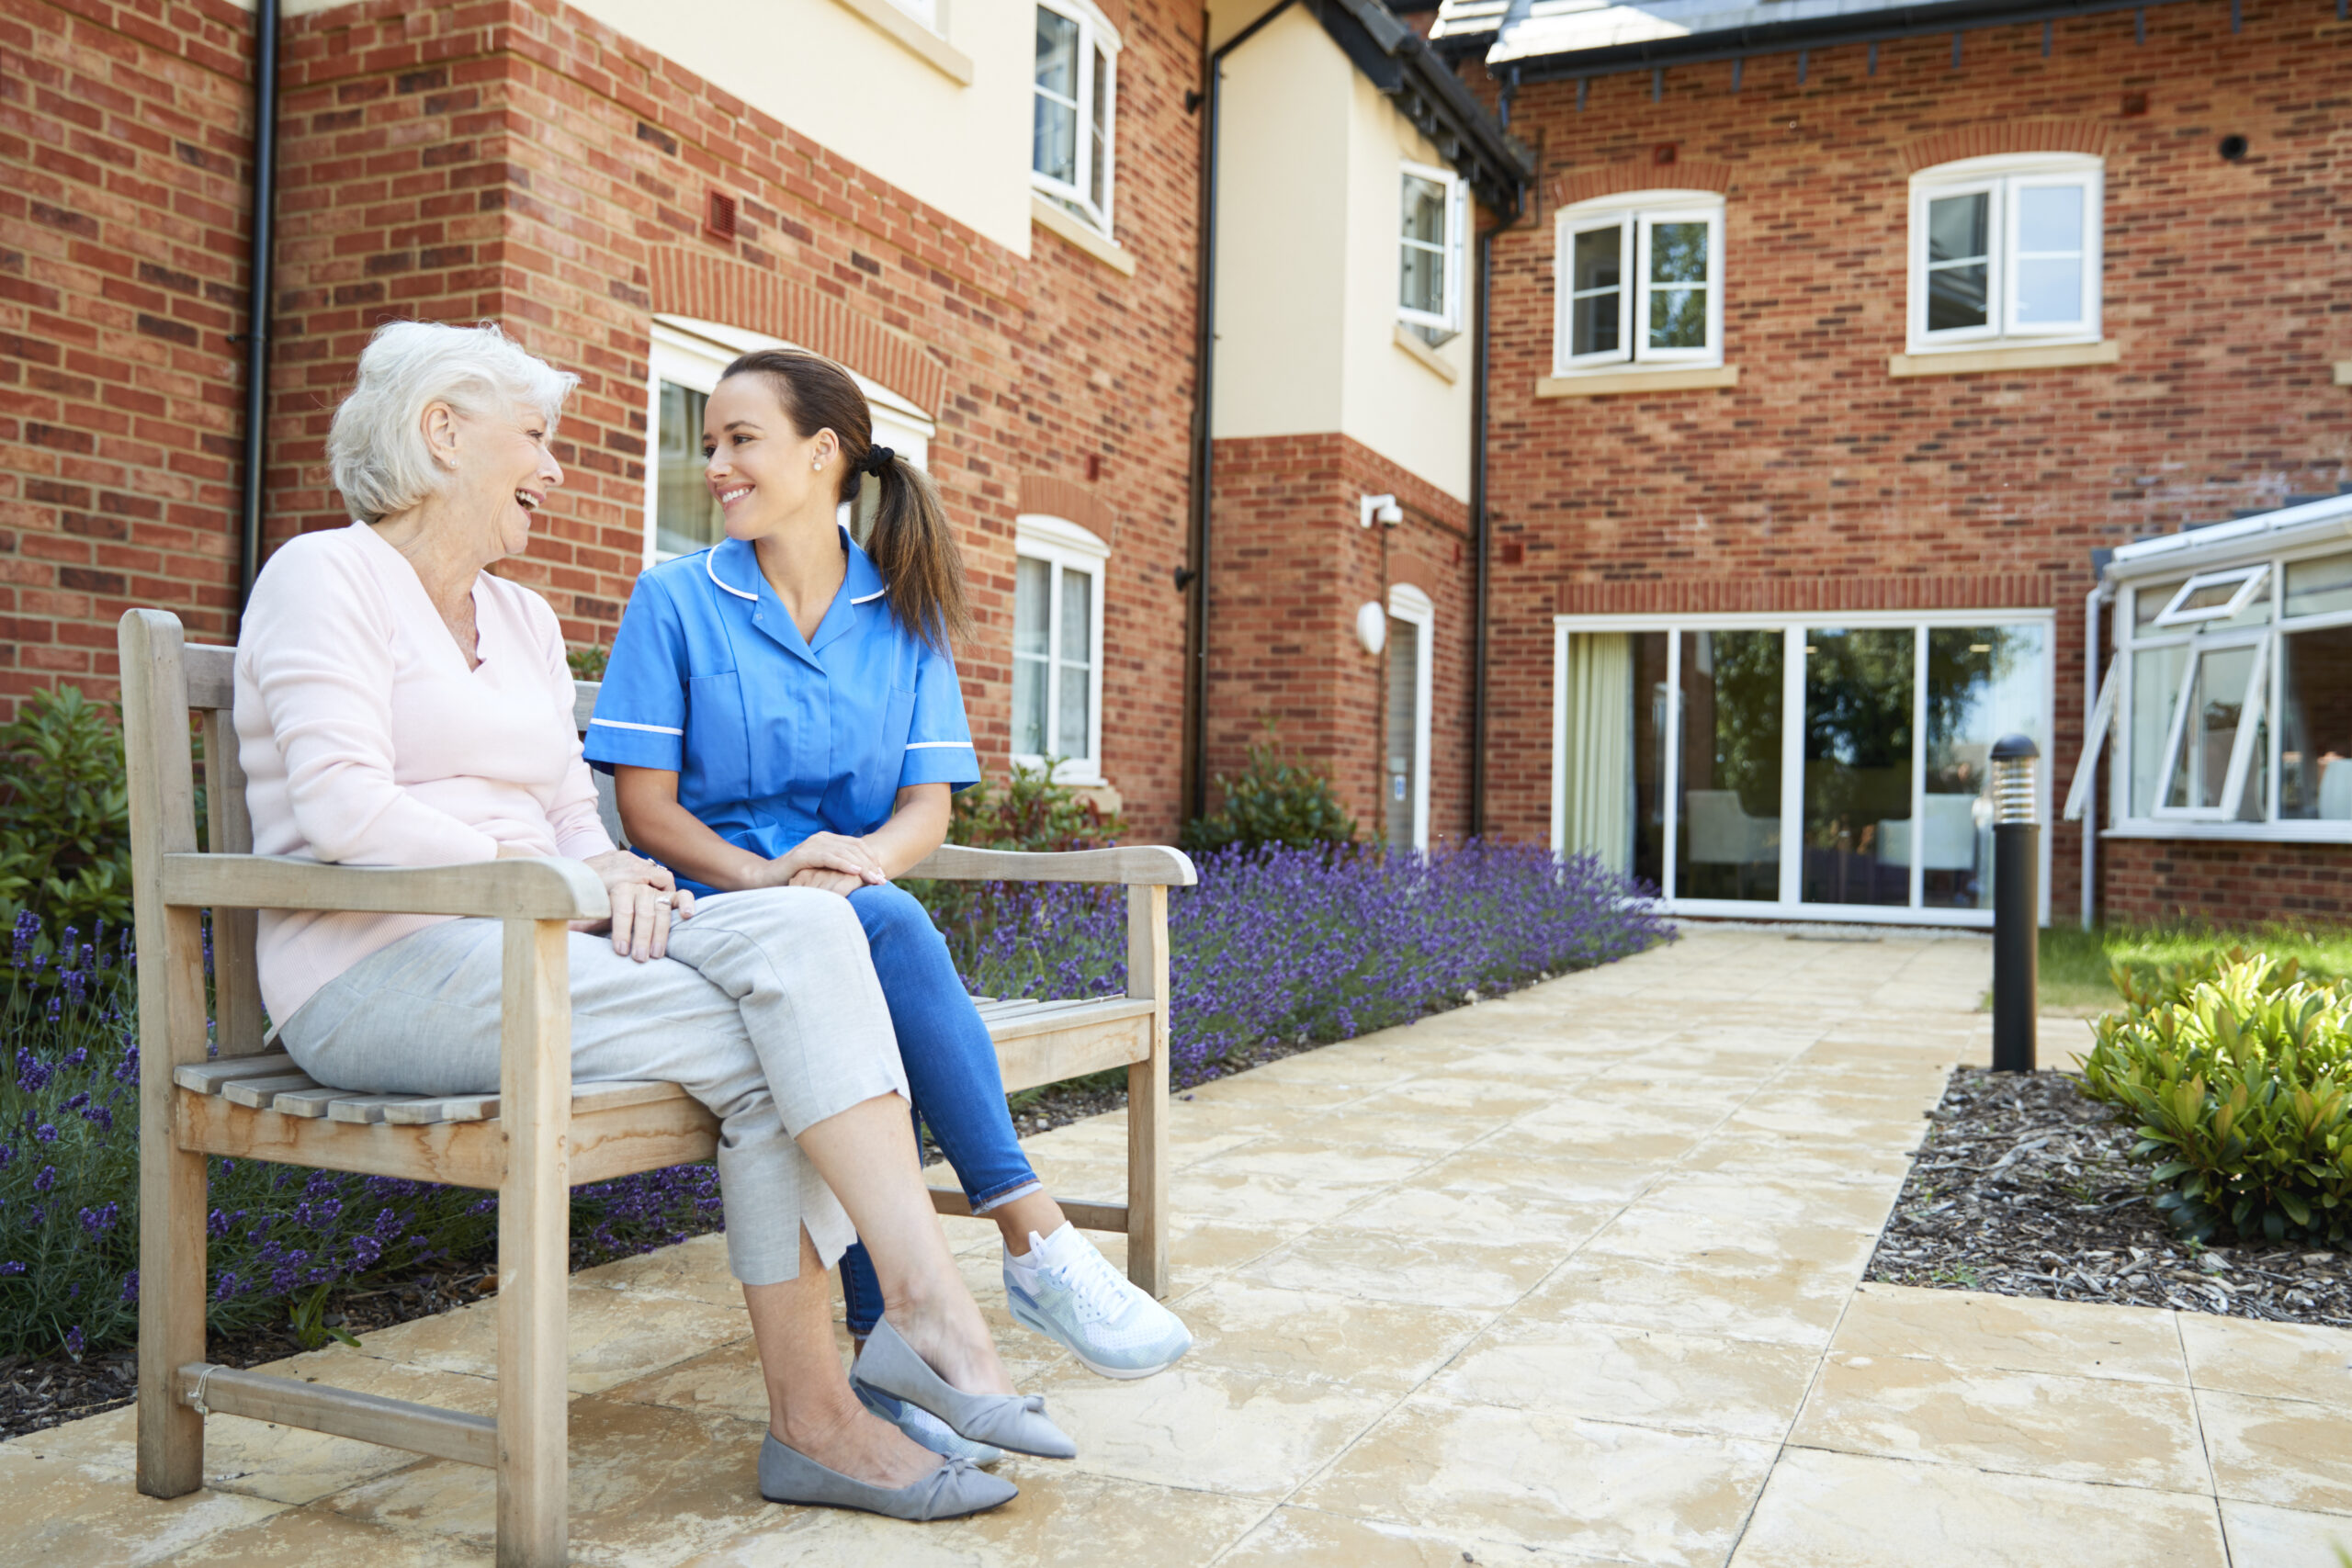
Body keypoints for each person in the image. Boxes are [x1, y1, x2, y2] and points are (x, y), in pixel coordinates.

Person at [234, 320, 1068, 1522]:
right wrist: (579, 885)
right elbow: (345, 805)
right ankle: (864, 1376)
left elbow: (575, 810)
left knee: (815, 931)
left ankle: (900, 1334)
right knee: (780, 1042)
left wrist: (612, 872)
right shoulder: (327, 575)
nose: (557, 468)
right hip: (377, 969)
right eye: (537, 439)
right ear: (441, 433)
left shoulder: (517, 619)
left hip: (540, 943)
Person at [584, 348, 1193, 1458]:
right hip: (713, 919)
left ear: (822, 454)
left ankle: (889, 1356)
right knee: (881, 934)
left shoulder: (902, 613)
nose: (715, 462)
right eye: (708, 442)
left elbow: (926, 809)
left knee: (867, 946)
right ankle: (1033, 1239)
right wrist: (778, 879)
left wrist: (856, 862)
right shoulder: (674, 597)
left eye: (739, 439)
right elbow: (647, 814)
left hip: (844, 915)